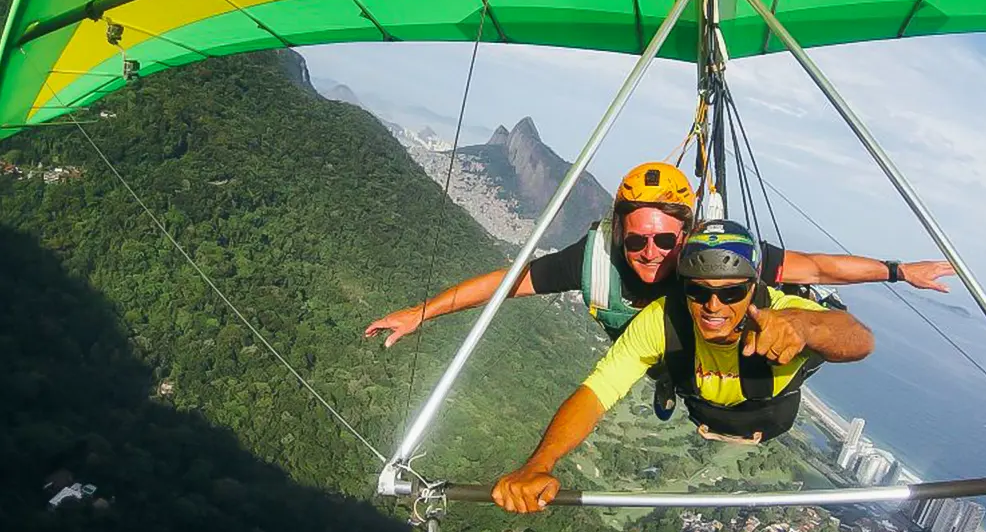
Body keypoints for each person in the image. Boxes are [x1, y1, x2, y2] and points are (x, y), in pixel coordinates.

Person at [364, 162, 951, 415]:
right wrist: (423, 312)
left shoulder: (714, 262)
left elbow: (816, 269)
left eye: (666, 243)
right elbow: (507, 282)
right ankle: (673, 388)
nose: (649, 255)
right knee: (668, 375)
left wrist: (900, 271)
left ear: (686, 237)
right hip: (656, 358)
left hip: (708, 358)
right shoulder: (595, 259)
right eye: (637, 239)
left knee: (736, 385)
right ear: (619, 228)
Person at [490, 220, 874, 514]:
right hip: (702, 406)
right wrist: (539, 463)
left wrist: (806, 326)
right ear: (684, 287)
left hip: (769, 415)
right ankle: (667, 378)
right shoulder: (664, 318)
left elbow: (859, 339)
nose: (713, 306)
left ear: (753, 286)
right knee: (667, 362)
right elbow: (598, 390)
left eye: (731, 292)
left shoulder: (779, 318)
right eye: (698, 291)